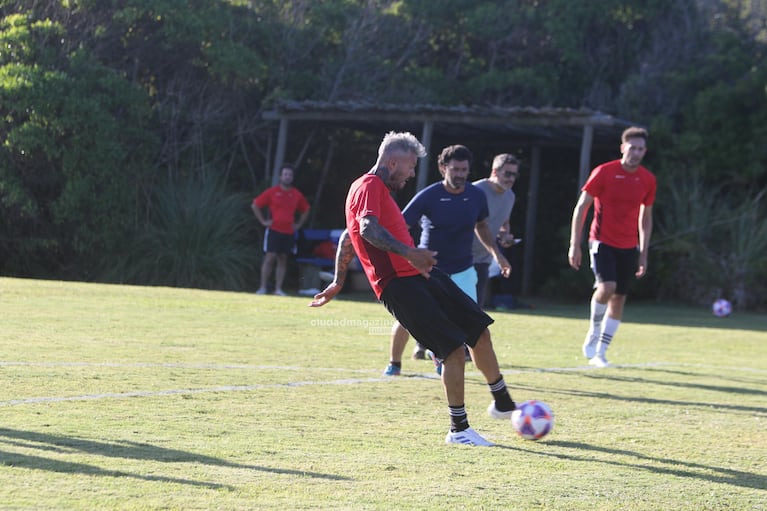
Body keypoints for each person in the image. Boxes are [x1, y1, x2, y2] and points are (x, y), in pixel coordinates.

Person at [310, 131, 516, 446]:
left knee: (479, 329)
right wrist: (409, 253)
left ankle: (502, 402)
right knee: (452, 350)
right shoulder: (369, 186)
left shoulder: (375, 191)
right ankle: (459, 430)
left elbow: (348, 236)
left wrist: (338, 280)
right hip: (399, 284)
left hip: (423, 275)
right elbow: (365, 229)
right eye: (409, 167)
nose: (411, 174)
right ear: (393, 162)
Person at [383, 145, 511, 376]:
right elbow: (400, 226)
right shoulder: (429, 196)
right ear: (443, 168)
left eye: (464, 170)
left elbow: (481, 227)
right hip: (427, 270)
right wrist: (408, 255)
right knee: (408, 317)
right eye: (456, 169)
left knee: (473, 324)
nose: (461, 174)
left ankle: (463, 365)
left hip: (463, 270)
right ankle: (394, 363)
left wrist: (498, 255)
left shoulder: (476, 196)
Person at [568, 126, 656, 367]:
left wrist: (643, 253)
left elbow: (645, 218)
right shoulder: (604, 172)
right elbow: (581, 207)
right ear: (622, 148)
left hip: (629, 246)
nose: (635, 152)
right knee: (607, 287)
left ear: (644, 151)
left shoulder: (647, 179)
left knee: (618, 299)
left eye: (640, 149)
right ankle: (594, 328)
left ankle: (601, 352)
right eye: (632, 147)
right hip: (601, 240)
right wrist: (575, 244)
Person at [252, 164, 311, 296]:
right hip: (274, 230)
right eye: (285, 174)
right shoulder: (272, 192)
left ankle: (278, 289)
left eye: (290, 175)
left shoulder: (296, 194)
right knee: (270, 257)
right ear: (280, 176)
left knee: (283, 258)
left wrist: (299, 224)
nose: (287, 177)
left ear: (292, 177)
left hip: (288, 232)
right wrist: (263, 221)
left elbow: (306, 209)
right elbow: (255, 204)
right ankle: (262, 287)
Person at [472, 153, 520, 309]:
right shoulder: (476, 191)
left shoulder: (510, 196)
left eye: (514, 174)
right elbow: (478, 226)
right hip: (459, 258)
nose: (511, 178)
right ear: (494, 172)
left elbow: (503, 223)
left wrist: (505, 235)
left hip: (483, 260)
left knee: (474, 313)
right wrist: (497, 255)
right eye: (507, 173)